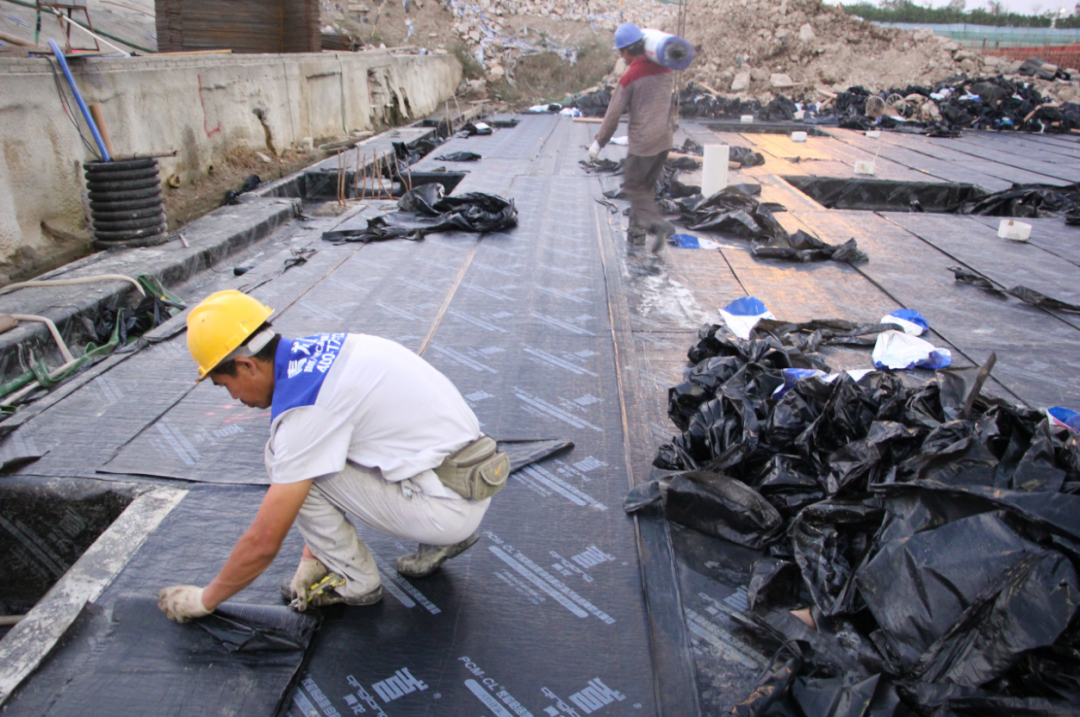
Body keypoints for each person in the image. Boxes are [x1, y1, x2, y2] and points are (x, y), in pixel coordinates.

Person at [158, 290, 507, 622]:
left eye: (224, 385)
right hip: (473, 480)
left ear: (247, 366)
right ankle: (436, 539)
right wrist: (313, 554)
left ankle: (355, 580)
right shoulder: (329, 350)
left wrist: (205, 600)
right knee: (321, 454)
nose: (232, 398)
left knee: (284, 460)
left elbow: (264, 541)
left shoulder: (305, 411)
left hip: (446, 508)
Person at [589, 22, 676, 253]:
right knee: (645, 190)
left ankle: (655, 224)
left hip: (643, 144)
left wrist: (599, 142)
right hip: (664, 141)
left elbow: (613, 114)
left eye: (621, 51)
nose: (622, 56)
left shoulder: (630, 77)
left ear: (628, 50)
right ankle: (636, 238)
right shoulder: (666, 71)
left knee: (633, 186)